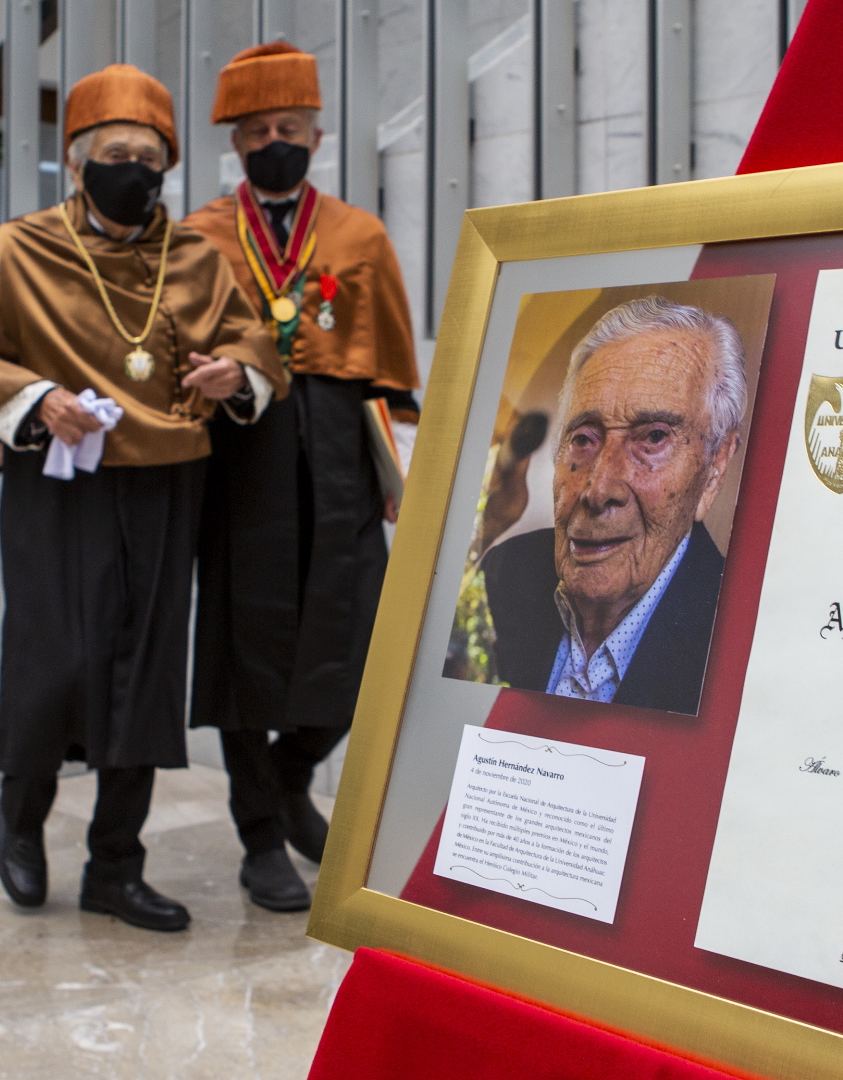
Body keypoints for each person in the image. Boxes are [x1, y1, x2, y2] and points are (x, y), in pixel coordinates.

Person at [0, 64, 287, 932]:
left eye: (149, 157)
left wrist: (232, 372)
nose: (133, 170)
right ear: (77, 160)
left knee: (145, 669)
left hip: (167, 482)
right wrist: (36, 399)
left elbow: (255, 346)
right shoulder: (21, 249)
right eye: (116, 154)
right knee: (52, 661)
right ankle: (20, 819)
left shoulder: (196, 257)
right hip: (62, 482)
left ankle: (116, 866)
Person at [184, 41, 422, 912]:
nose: (273, 142)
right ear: (235, 143)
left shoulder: (360, 234)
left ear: (316, 138)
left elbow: (389, 371)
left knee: (363, 647)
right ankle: (259, 834)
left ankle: (290, 780)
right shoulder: (200, 236)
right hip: (241, 454)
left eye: (289, 127)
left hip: (338, 457)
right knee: (245, 651)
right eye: (257, 131)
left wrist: (398, 473)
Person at [478, 297, 746, 716]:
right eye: (583, 439)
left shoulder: (743, 645)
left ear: (715, 468)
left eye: (653, 438)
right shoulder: (504, 573)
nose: (598, 489)